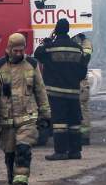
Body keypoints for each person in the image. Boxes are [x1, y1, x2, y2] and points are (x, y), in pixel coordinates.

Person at [0, 33, 50, 185]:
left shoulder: (32, 65)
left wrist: (45, 115)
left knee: (23, 152)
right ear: (9, 49)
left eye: (22, 50)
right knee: (11, 156)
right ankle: (14, 183)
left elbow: (40, 91)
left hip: (27, 119)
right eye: (16, 50)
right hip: (6, 123)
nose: (19, 54)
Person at [35, 19, 88, 161]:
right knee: (74, 123)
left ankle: (60, 152)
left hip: (56, 92)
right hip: (73, 92)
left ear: (56, 30)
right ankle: (75, 151)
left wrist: (48, 40)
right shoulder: (78, 48)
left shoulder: (50, 47)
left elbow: (37, 54)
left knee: (59, 123)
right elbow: (83, 71)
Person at [76, 32, 94, 145]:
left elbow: (85, 58)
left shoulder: (85, 43)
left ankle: (84, 136)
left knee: (83, 108)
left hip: (82, 81)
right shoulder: (78, 42)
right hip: (77, 80)